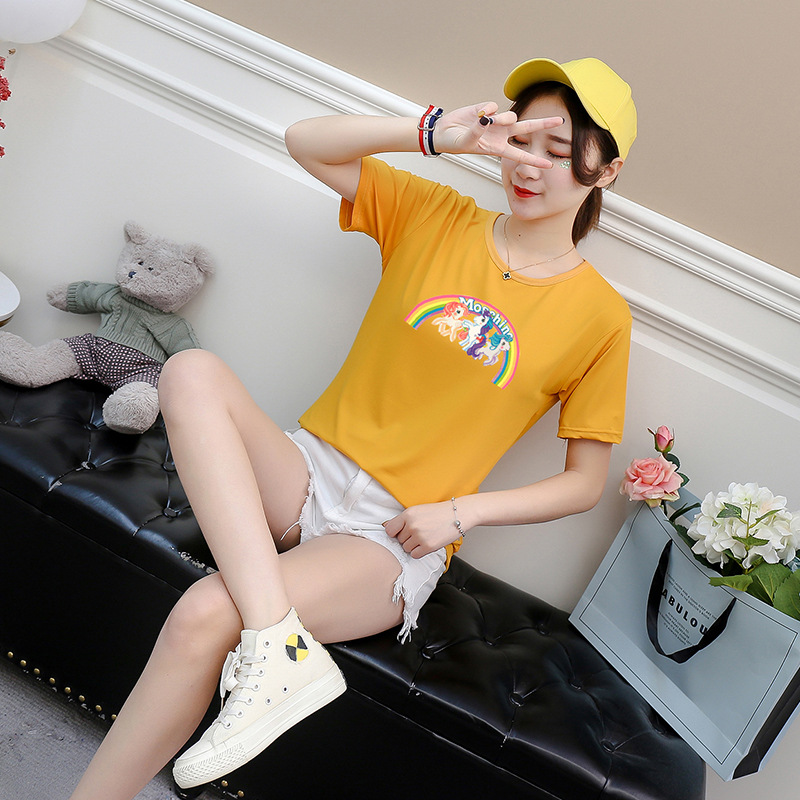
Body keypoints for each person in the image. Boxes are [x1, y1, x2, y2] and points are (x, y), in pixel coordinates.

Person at [69, 56, 636, 799]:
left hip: (390, 536)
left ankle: (251, 669)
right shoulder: (435, 214)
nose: (530, 165)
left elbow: (583, 483)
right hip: (307, 471)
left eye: (559, 152)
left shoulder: (600, 317)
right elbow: (305, 140)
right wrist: (437, 132)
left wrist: (459, 514)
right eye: (521, 140)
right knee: (189, 372)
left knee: (204, 613)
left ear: (606, 171)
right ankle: (279, 648)